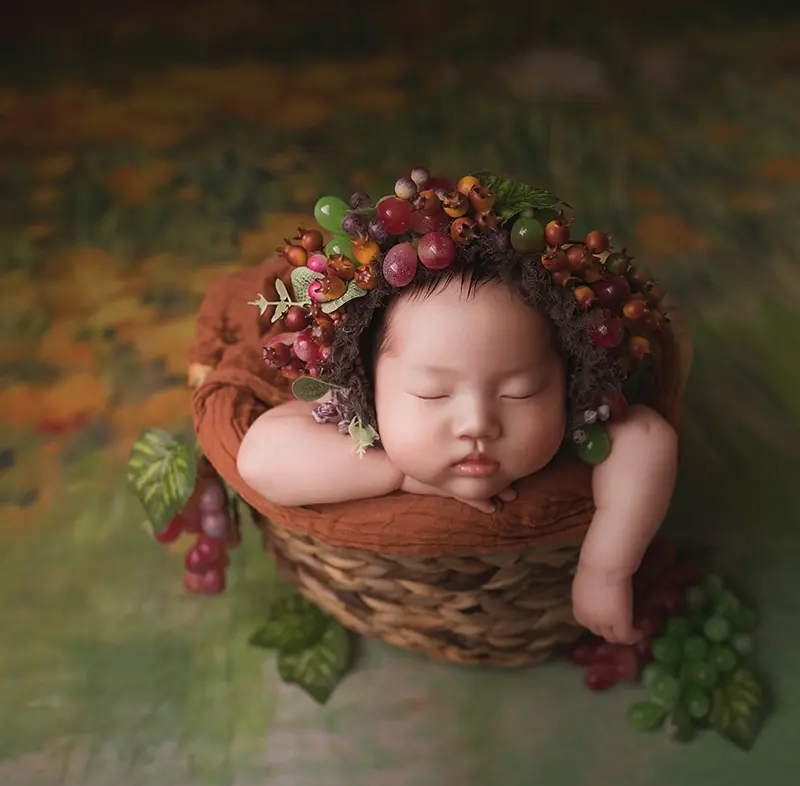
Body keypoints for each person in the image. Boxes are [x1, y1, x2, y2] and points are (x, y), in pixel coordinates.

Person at [236, 170, 680, 647]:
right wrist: (400, 473)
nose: (478, 424)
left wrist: (606, 568)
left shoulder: (581, 410)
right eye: (432, 395)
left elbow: (647, 438)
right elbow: (259, 458)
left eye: (521, 392)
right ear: (366, 385)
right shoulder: (354, 401)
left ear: (568, 380)